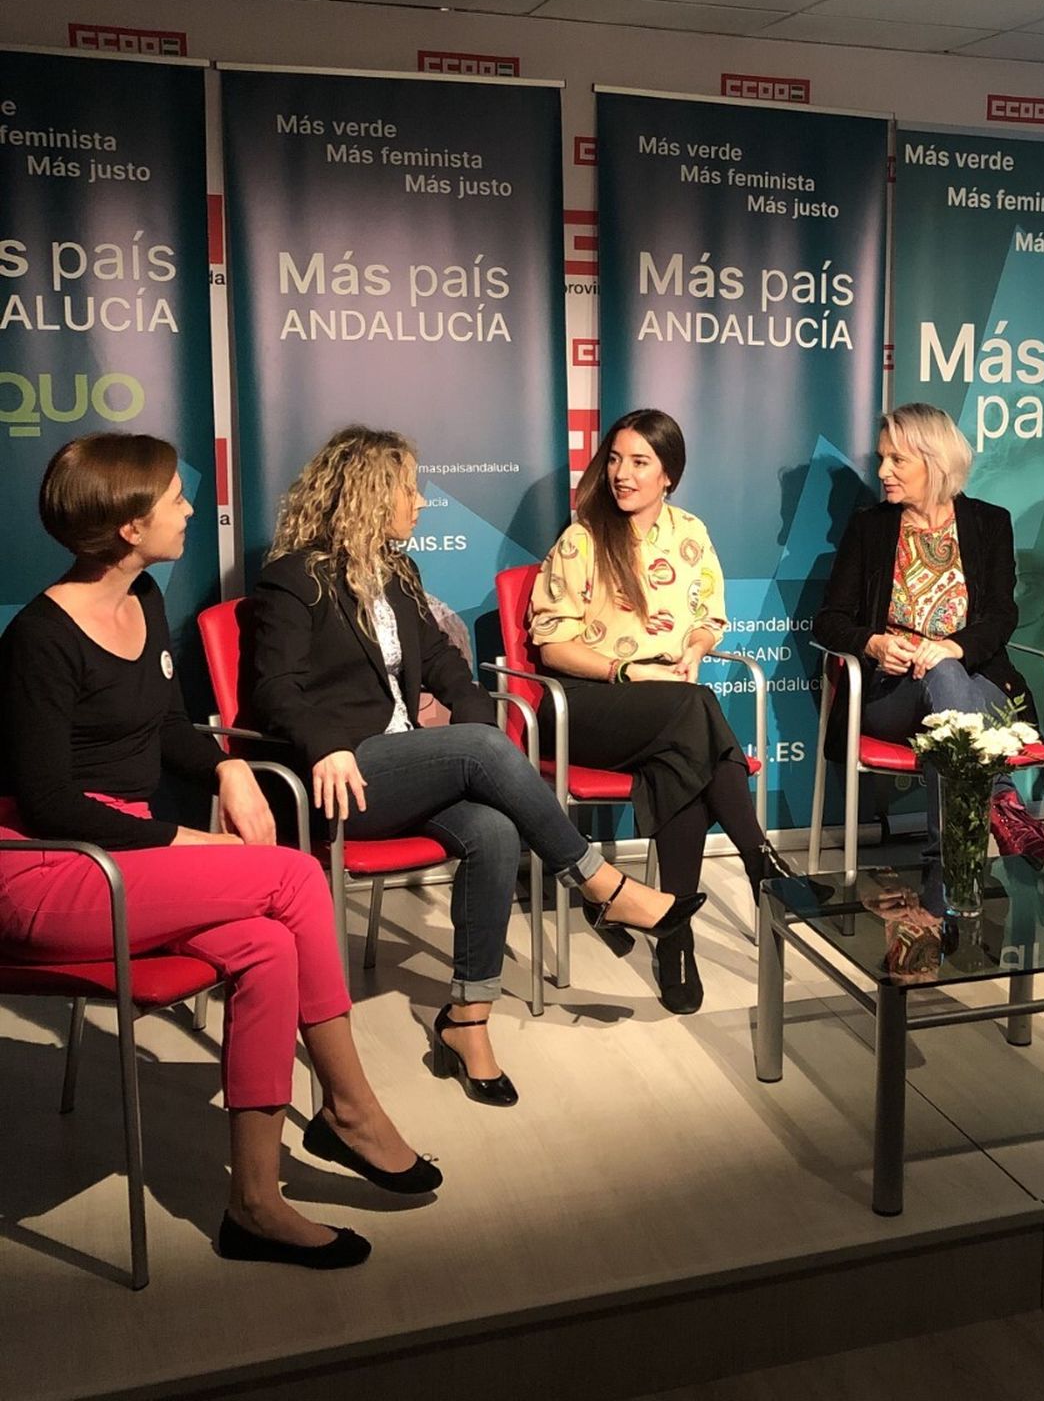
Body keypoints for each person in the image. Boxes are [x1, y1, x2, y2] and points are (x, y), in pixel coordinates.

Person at [0, 434, 438, 1271]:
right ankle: (350, 1110)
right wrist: (180, 834)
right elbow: (52, 802)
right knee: (292, 874)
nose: (190, 509)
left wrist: (230, 766)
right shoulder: (39, 639)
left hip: (121, 857)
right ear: (129, 525)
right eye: (173, 498)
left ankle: (256, 1203)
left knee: (268, 946)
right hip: (48, 868)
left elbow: (166, 729)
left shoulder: (147, 601)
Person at [251, 426, 701, 1099]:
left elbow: (445, 667)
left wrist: (475, 717)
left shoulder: (396, 573)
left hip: (405, 764)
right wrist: (328, 747)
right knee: (487, 747)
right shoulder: (294, 580)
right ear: (373, 496)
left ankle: (468, 1016)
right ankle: (600, 885)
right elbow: (272, 689)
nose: (420, 502)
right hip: (344, 777)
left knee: (493, 829)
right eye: (409, 488)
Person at [526, 409, 789, 1015]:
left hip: (666, 709)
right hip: (585, 706)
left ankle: (675, 937)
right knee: (694, 711)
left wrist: (696, 648)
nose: (621, 474)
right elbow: (551, 647)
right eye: (615, 459)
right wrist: (628, 670)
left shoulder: (690, 533)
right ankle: (761, 862)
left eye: (639, 462)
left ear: (668, 474)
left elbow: (706, 621)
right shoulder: (582, 539)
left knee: (683, 755)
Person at [813, 403, 1044, 876]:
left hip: (980, 683)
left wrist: (953, 647)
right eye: (882, 458)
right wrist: (874, 645)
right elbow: (829, 620)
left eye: (896, 460)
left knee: (948, 676)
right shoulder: (871, 527)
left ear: (934, 462)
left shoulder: (989, 522)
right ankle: (1000, 813)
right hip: (891, 696)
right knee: (947, 685)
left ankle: (947, 869)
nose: (883, 471)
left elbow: (1000, 615)